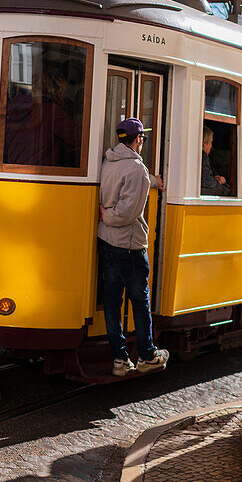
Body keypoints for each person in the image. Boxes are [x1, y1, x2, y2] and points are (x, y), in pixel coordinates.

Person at [98, 117, 169, 377]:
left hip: (106, 241)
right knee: (140, 301)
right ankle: (148, 355)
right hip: (129, 245)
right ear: (138, 139)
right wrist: (109, 215)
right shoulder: (137, 169)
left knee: (113, 301)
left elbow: (126, 184)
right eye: (143, 138)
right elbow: (127, 212)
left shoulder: (109, 161)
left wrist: (153, 181)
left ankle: (119, 359)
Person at [201, 125, 230, 196]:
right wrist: (218, 182)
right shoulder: (202, 156)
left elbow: (210, 170)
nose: (211, 146)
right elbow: (206, 181)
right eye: (211, 142)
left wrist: (216, 176)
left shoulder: (205, 157)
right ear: (204, 144)